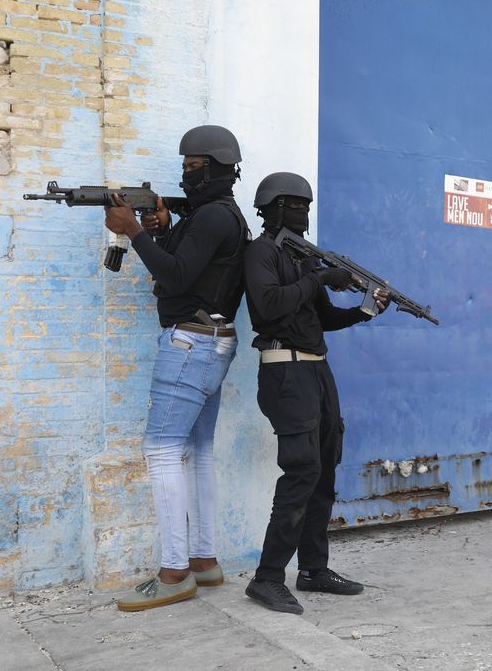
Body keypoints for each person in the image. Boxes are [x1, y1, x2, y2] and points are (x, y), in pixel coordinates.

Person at [104, 125, 251, 611]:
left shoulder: (211, 216)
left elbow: (175, 275)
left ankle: (174, 572)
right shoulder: (221, 216)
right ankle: (204, 562)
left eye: (192, 168)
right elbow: (193, 269)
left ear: (214, 167)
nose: (186, 176)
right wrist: (163, 231)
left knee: (162, 452)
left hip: (190, 344)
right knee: (198, 450)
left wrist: (135, 231)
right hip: (213, 342)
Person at [241, 171, 388, 615]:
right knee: (302, 471)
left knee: (324, 469)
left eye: (307, 204)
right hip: (284, 372)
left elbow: (322, 319)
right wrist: (321, 278)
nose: (304, 212)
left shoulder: (304, 260)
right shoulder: (260, 252)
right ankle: (267, 578)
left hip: (317, 372)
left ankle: (313, 570)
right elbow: (266, 305)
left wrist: (364, 311)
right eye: (295, 205)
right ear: (273, 208)